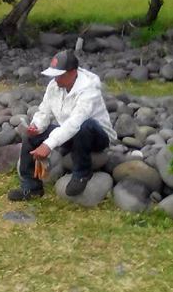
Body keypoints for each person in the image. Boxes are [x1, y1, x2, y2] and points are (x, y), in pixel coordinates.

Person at [8, 49, 117, 201]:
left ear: (72, 72)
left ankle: (82, 173)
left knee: (85, 125)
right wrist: (37, 126)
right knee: (30, 137)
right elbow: (44, 111)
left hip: (96, 137)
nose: (55, 79)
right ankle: (31, 187)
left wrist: (48, 145)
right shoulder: (54, 86)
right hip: (69, 133)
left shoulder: (89, 90)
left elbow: (75, 122)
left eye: (59, 75)